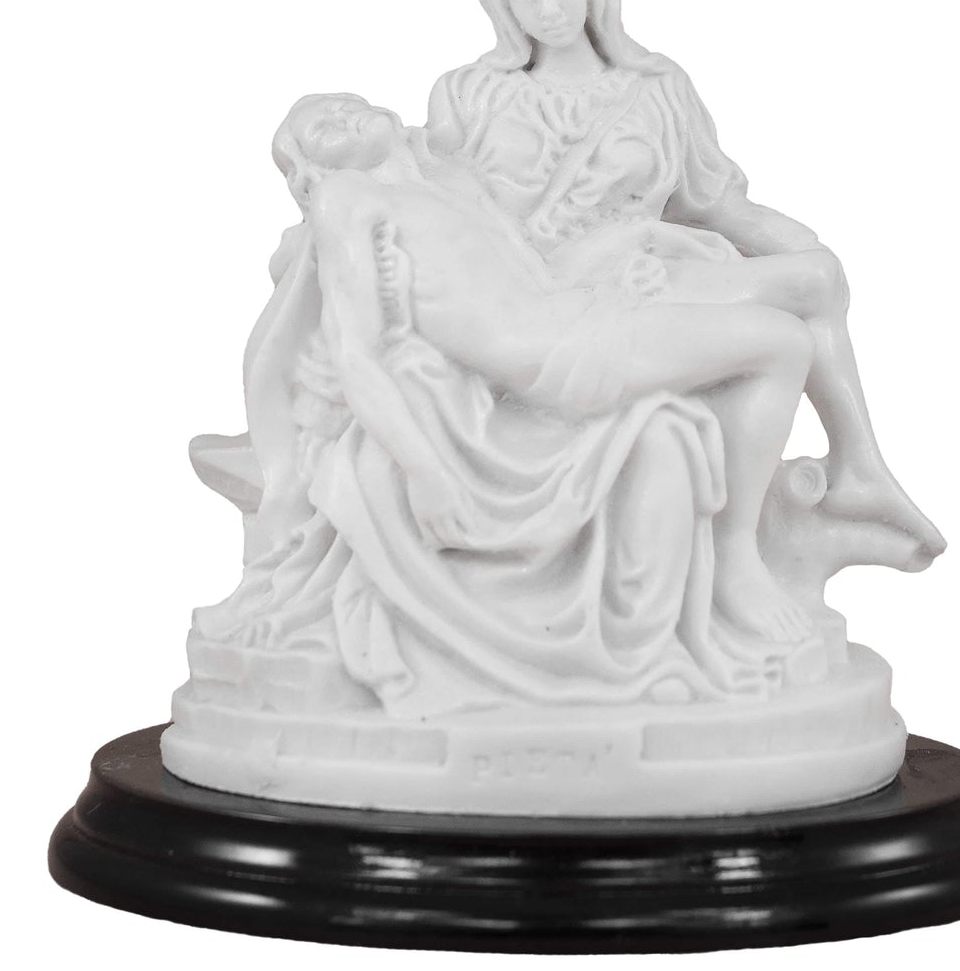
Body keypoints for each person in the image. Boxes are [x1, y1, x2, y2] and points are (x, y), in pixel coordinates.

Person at [426, 0, 944, 561]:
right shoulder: (469, 94)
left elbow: (715, 201)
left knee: (817, 273)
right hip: (546, 297)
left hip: (646, 275)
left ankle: (859, 467)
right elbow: (444, 217)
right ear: (499, 3)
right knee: (789, 326)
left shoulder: (655, 88)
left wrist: (795, 238)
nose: (549, 9)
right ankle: (761, 534)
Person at [287, 92, 815, 643]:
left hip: (579, 312)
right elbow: (356, 351)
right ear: (313, 171)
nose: (341, 116)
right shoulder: (346, 197)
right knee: (783, 344)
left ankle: (854, 477)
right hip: (554, 359)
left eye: (339, 104)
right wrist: (425, 469)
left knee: (807, 288)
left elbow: (538, 275)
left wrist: (632, 247)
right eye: (323, 129)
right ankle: (737, 557)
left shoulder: (446, 182)